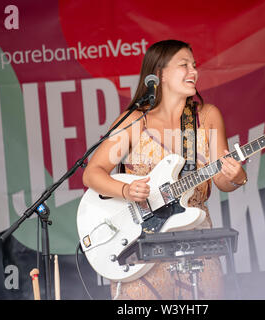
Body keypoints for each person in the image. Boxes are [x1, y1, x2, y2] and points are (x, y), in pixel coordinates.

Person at [82, 39, 247, 300]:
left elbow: (221, 180)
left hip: (196, 240)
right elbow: (93, 173)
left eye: (195, 65)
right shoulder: (135, 121)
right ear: (159, 74)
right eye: (184, 65)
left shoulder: (206, 117)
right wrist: (125, 189)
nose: (194, 72)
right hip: (140, 242)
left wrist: (236, 177)